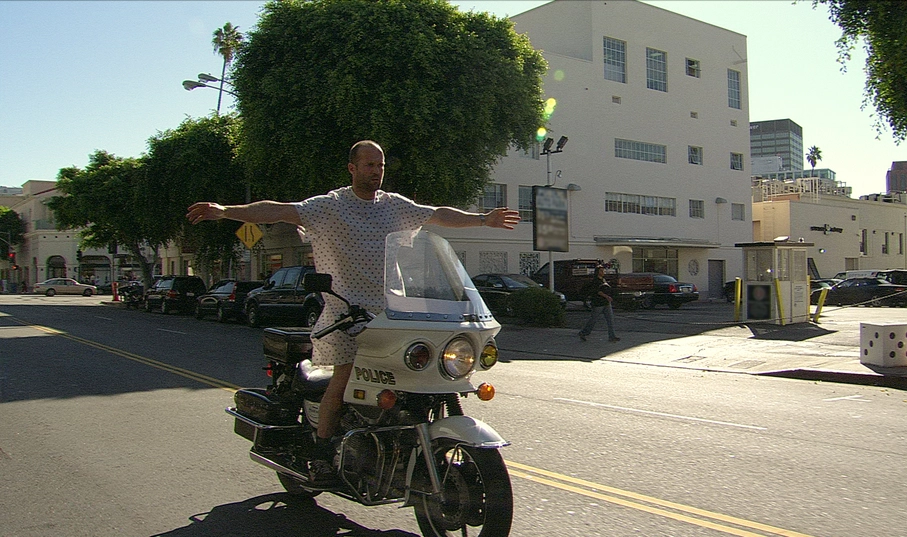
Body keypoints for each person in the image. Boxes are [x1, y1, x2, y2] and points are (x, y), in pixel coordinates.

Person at [187, 140, 519, 482]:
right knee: (343, 381)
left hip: (394, 316)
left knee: (425, 373)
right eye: (370, 165)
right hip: (345, 314)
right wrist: (227, 211)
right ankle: (320, 451)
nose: (376, 171)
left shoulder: (395, 206)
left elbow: (436, 215)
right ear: (353, 168)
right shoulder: (329, 207)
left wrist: (484, 219)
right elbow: (278, 210)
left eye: (381, 166)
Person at [578, 266, 620, 343]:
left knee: (610, 319)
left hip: (606, 303)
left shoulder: (603, 280)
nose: (603, 272)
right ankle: (584, 332)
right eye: (601, 271)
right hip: (598, 303)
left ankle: (612, 336)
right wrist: (607, 296)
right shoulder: (595, 281)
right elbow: (598, 291)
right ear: (598, 272)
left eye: (603, 271)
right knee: (593, 319)